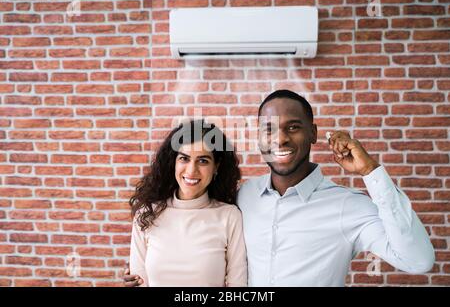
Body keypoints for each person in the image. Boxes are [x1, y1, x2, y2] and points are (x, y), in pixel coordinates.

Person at [124, 89, 435, 287]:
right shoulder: (242, 197)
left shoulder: (348, 206)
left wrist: (371, 172)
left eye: (293, 127)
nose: (280, 139)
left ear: (313, 133)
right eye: (268, 129)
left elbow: (417, 261)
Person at [126, 119, 247, 287]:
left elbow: (238, 285)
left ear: (216, 167)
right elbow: (139, 281)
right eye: (184, 158)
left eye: (203, 160)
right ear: (173, 162)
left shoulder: (229, 216)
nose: (191, 170)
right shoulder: (146, 214)